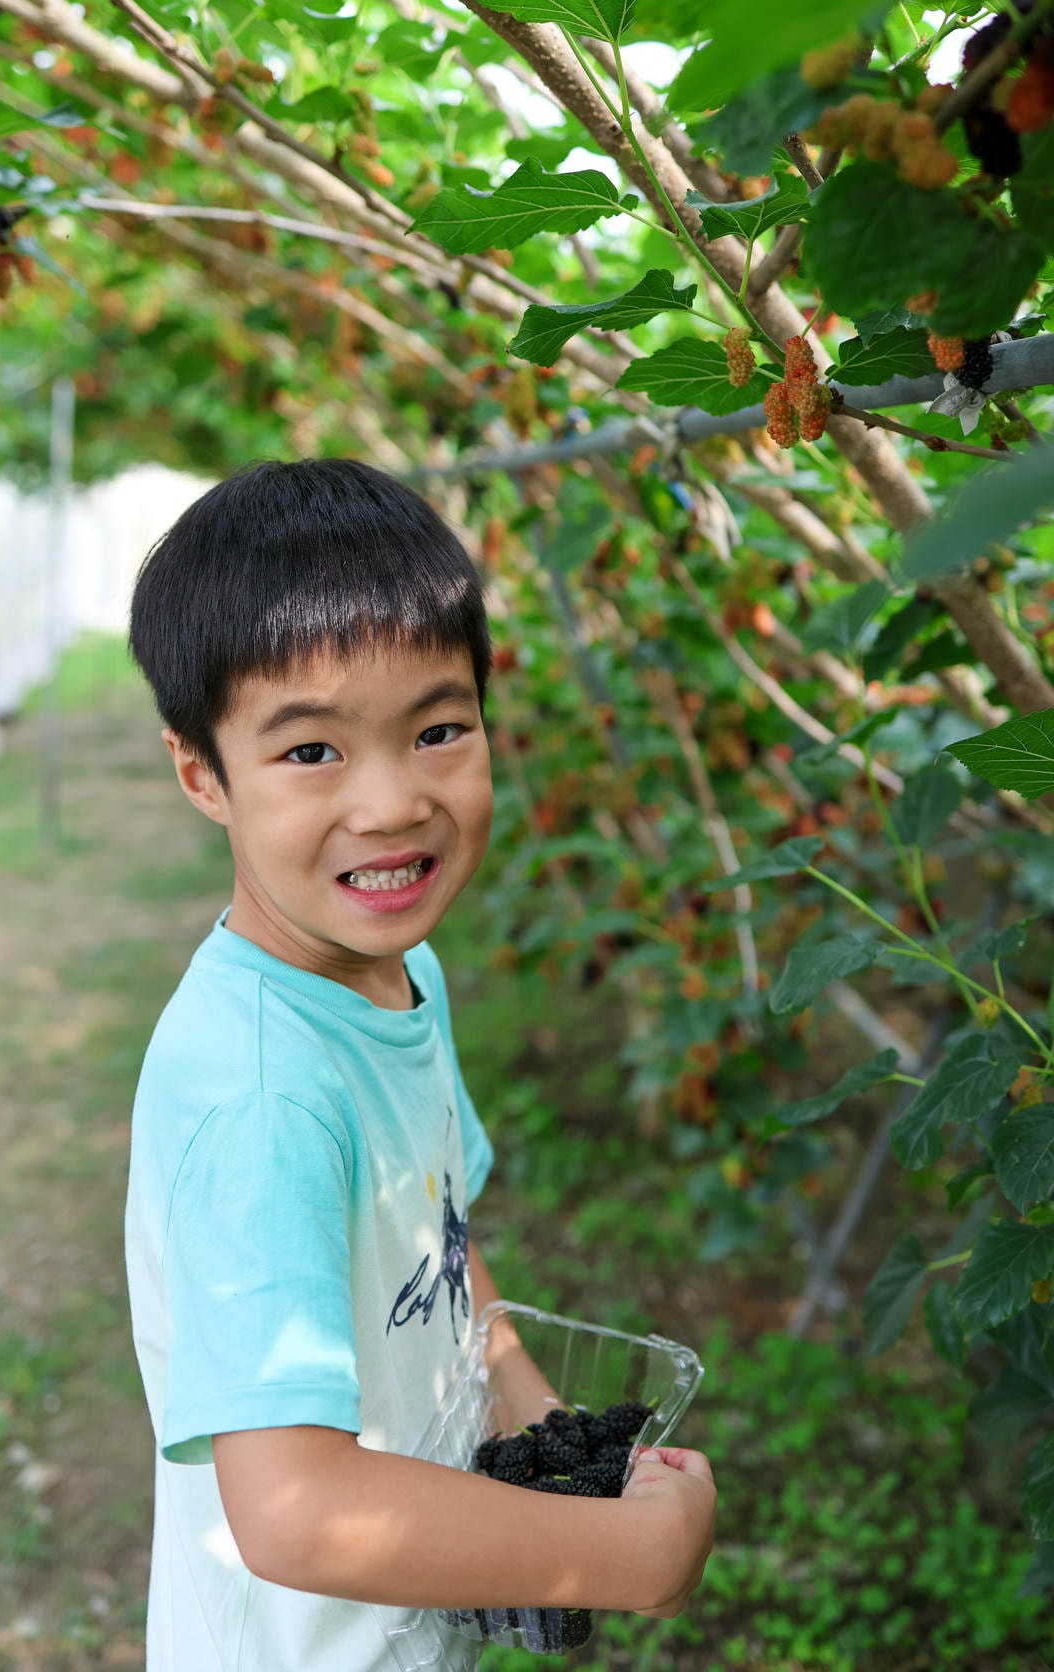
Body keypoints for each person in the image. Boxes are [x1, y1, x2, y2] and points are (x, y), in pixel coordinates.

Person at [124, 458, 716, 1671]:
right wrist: (628, 1556)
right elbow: (295, 1512)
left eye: (438, 730)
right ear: (202, 775)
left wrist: (541, 1420)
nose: (393, 803)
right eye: (310, 753)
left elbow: (434, 1231)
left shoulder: (400, 973)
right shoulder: (264, 1099)